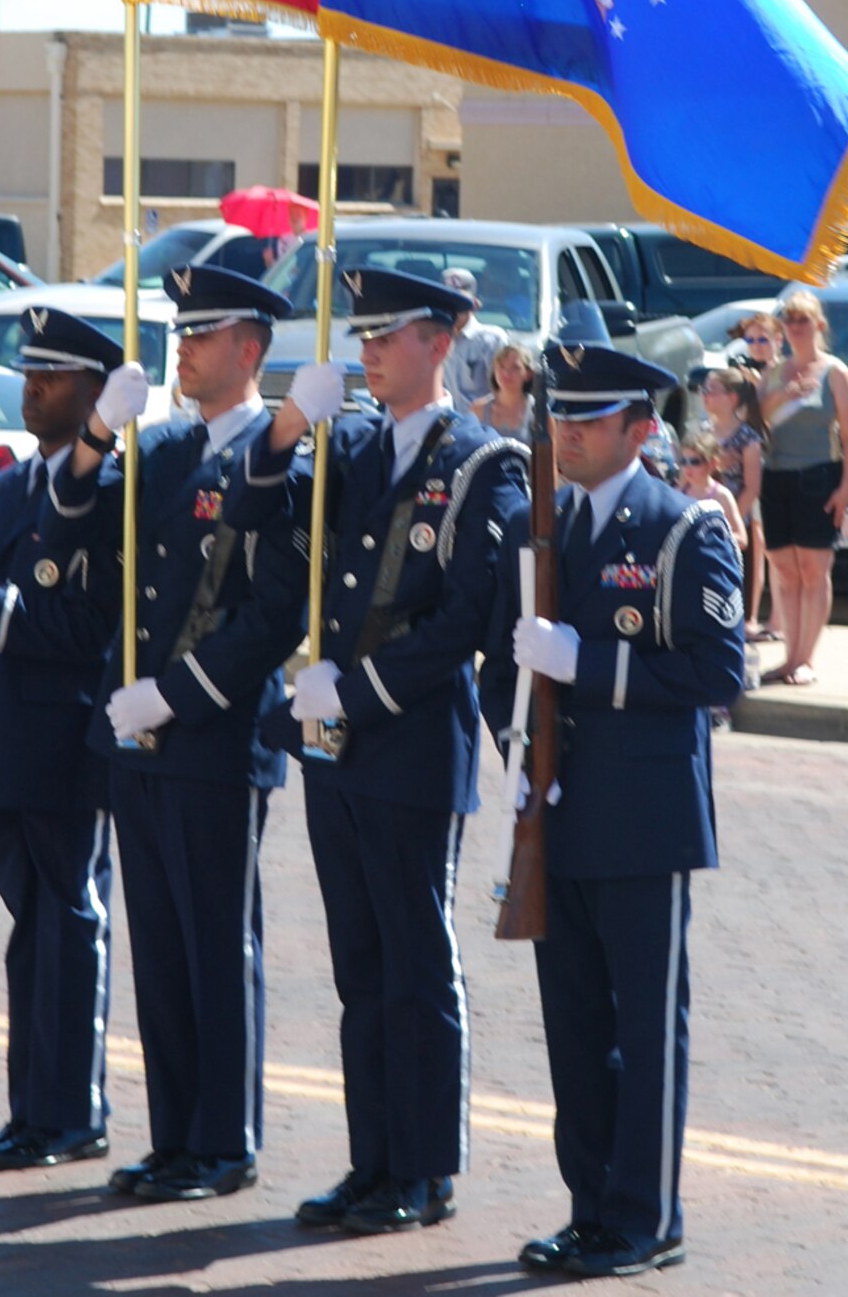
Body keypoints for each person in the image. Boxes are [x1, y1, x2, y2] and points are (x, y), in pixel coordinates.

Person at [232, 266, 529, 1236]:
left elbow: (464, 620)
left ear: (439, 341)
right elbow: (251, 516)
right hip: (334, 747)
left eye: (385, 335)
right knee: (359, 962)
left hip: (409, 741)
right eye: (361, 336)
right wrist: (285, 428)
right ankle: (372, 1161)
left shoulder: (484, 463)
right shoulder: (346, 444)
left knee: (414, 958)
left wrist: (352, 691)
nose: (367, 351)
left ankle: (424, 1166)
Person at [45, 264, 317, 1207]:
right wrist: (96, 432)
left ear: (250, 349)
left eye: (202, 334)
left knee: (214, 942)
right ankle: (174, 1139)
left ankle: (224, 1142)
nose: (183, 348)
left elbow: (275, 614)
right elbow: (70, 527)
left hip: (212, 736)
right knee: (158, 944)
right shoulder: (159, 450)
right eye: (180, 332)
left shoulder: (284, 464)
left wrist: (175, 696)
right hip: (135, 734)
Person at [482, 339, 746, 1283]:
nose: (567, 433)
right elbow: (500, 664)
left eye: (589, 420)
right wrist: (519, 753)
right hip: (556, 811)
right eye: (560, 416)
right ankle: (590, 1208)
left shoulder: (684, 529)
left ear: (640, 430)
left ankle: (646, 1216)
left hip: (642, 816)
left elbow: (718, 673)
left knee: (644, 1027)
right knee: (575, 1026)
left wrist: (586, 665)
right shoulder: (535, 525)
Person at [0, 308, 150, 1171]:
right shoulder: (2, 492)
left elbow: (87, 631)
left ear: (94, 390)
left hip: (69, 743)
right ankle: (30, 1112)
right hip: (3, 745)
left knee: (71, 921)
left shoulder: (112, 493)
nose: (33, 386)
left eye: (52, 375)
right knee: (30, 929)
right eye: (29, 372)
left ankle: (73, 1112)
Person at [757, 292, 848, 687]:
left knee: (813, 571)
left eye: (804, 319)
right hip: (775, 478)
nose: (796, 326)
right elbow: (757, 423)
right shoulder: (773, 374)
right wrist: (783, 394)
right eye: (790, 319)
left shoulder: (835, 372)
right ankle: (789, 658)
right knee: (786, 571)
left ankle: (806, 660)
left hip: (819, 476)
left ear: (819, 325)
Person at [701, 367, 768, 640]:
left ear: (731, 397)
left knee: (741, 573)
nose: (705, 395)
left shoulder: (747, 437)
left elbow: (752, 486)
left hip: (738, 518)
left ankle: (746, 622)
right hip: (704, 516)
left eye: (711, 390)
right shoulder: (703, 433)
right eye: (704, 390)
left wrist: (732, 520)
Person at [440, 266, 508, 409]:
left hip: (482, 421)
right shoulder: (434, 339)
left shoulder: (491, 340)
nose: (453, 309)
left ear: (475, 305)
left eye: (460, 302)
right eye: (447, 302)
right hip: (444, 419)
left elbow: (505, 390)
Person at [677, 430, 747, 551]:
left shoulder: (722, 496)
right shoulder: (678, 493)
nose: (688, 467)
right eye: (683, 461)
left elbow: (742, 539)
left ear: (713, 464)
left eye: (695, 462)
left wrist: (709, 539)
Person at [473, 337, 538, 442]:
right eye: (501, 366)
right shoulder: (478, 409)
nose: (506, 374)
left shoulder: (538, 412)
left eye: (515, 368)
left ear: (528, 374)